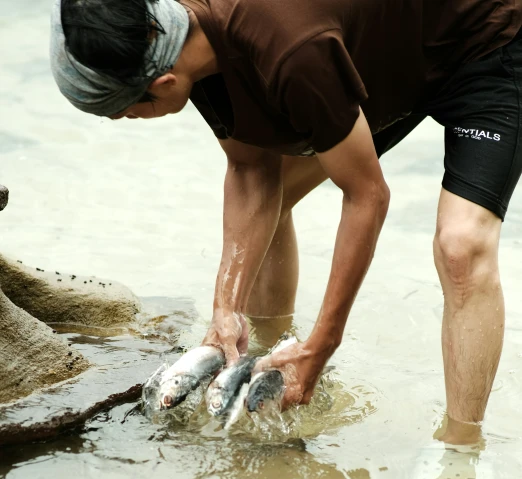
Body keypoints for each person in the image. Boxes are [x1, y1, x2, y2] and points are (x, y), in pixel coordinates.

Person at [50, 0, 522, 445]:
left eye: (122, 109)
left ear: (166, 84)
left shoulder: (293, 52)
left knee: (461, 246)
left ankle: (461, 447)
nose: (121, 119)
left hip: (484, 42)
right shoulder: (182, 32)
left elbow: (367, 196)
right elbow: (251, 169)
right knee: (275, 200)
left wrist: (324, 343)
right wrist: (225, 308)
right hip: (382, 52)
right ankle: (271, 358)